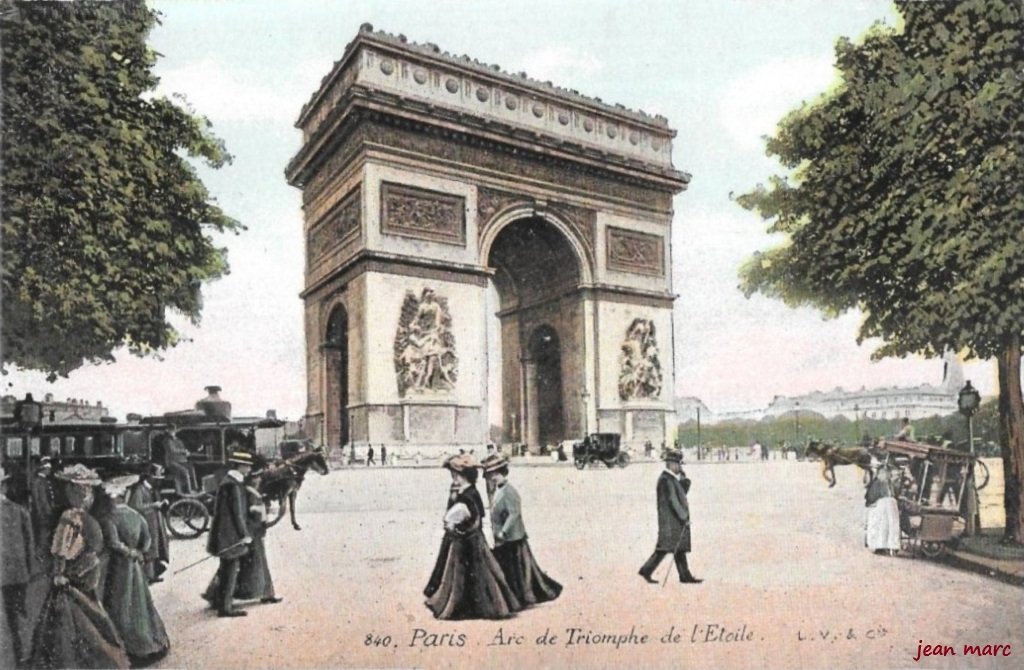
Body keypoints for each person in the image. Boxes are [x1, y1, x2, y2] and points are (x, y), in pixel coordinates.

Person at [29, 464, 129, 669]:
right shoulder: (79, 517)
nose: (87, 495)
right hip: (84, 572)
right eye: (84, 491)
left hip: (79, 573)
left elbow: (64, 548)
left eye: (88, 491)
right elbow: (66, 548)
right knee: (86, 615)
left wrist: (61, 572)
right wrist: (62, 571)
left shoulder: (74, 517)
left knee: (78, 617)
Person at [423, 454, 520, 620]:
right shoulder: (466, 492)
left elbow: (473, 518)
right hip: (469, 539)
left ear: (464, 476)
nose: (454, 479)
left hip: (470, 541)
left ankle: (471, 607)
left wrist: (456, 527)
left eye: (456, 476)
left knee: (474, 575)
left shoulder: (469, 495)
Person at [100, 475, 170, 665]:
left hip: (118, 567)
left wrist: (129, 552)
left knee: (120, 603)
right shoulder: (136, 515)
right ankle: (147, 641)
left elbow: (114, 543)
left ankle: (129, 647)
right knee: (140, 602)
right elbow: (147, 540)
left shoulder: (109, 518)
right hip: (135, 568)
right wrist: (138, 552)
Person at [483, 456, 561, 608]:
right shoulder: (499, 490)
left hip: (512, 538)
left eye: (495, 474)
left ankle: (521, 597)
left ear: (503, 473)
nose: (493, 478)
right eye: (491, 475)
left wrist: (503, 531)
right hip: (504, 538)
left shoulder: (509, 491)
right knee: (510, 569)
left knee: (517, 570)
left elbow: (514, 513)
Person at [203, 467, 282, 608]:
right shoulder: (245, 490)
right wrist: (246, 532)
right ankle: (219, 597)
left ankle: (265, 593)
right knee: (240, 565)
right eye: (256, 477)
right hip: (249, 532)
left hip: (251, 532)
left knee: (247, 564)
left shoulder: (246, 489)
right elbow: (241, 514)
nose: (258, 480)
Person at [638, 448, 701, 584]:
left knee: (678, 548)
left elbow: (681, 492)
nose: (680, 467)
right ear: (672, 464)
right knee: (665, 548)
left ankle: (685, 576)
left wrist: (684, 479)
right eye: (678, 464)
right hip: (671, 521)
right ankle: (646, 570)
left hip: (672, 521)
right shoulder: (666, 480)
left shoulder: (670, 479)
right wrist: (684, 517)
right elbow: (674, 501)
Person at [206, 451, 255, 617]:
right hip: (230, 534)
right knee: (230, 571)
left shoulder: (229, 481)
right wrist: (244, 534)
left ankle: (220, 603)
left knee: (226, 569)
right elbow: (237, 513)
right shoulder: (233, 485)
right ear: (240, 466)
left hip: (223, 533)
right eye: (247, 466)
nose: (249, 469)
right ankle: (225, 608)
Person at [2, 468, 35, 667]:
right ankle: (22, 657)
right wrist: (29, 571)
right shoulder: (20, 511)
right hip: (17, 574)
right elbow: (30, 545)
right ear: (5, 486)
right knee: (18, 616)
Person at [127, 464, 170, 584]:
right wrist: (153, 505)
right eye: (157, 478)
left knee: (155, 548)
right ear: (149, 477)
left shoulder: (152, 489)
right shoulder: (139, 490)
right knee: (149, 550)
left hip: (154, 523)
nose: (159, 481)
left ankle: (152, 575)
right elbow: (135, 507)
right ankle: (147, 577)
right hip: (145, 523)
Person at [864, 463, 901, 557]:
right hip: (881, 507)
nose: (887, 475)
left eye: (887, 473)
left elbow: (894, 495)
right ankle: (882, 546)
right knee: (883, 524)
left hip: (888, 506)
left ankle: (890, 546)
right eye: (885, 473)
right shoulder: (878, 483)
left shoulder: (889, 483)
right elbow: (870, 499)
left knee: (888, 524)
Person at [162, 429, 197, 496]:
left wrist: (186, 453)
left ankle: (195, 488)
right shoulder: (167, 441)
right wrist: (183, 451)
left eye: (173, 430)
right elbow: (173, 450)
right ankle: (188, 491)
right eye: (171, 430)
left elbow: (182, 448)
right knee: (185, 471)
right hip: (171, 462)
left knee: (191, 468)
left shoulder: (178, 440)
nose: (173, 432)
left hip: (180, 461)